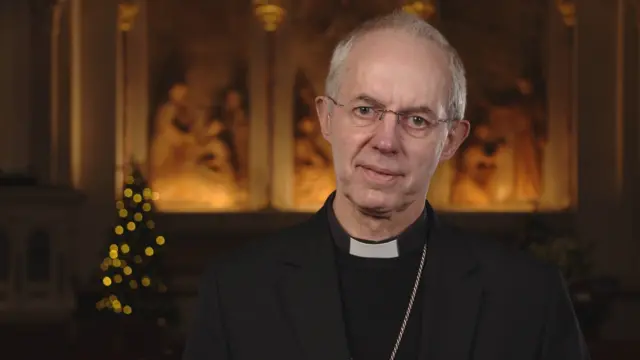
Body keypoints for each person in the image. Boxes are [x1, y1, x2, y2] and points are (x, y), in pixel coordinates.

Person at [183, 11, 589, 360]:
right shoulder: (236, 292)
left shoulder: (528, 299)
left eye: (417, 120)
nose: (385, 141)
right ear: (326, 119)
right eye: (365, 110)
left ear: (450, 141)